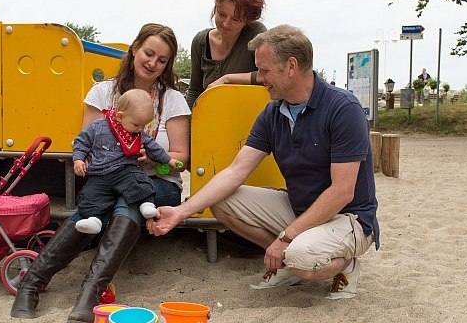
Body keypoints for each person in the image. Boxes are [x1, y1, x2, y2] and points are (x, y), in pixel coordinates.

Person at [149, 25, 380, 300]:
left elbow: (343, 191)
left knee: (301, 257)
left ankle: (346, 262)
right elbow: (236, 171)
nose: (259, 78)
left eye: (265, 70)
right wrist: (181, 212)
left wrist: (285, 239)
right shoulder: (273, 112)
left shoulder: (343, 108)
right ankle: (290, 261)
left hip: (349, 216)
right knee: (220, 201)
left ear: (291, 66)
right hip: (301, 208)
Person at [11, 23, 190, 323]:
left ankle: (88, 292)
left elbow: (181, 159)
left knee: (129, 199)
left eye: (162, 60)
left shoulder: (171, 99)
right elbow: (86, 146)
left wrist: (155, 160)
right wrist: (116, 158)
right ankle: (32, 285)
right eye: (149, 53)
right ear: (134, 49)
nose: (153, 63)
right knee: (96, 205)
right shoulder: (103, 92)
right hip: (107, 179)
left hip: (156, 184)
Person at [73, 89, 184, 235]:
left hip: (125, 171)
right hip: (99, 174)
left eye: (143, 126)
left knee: (140, 182)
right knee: (91, 195)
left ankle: (146, 204)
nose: (141, 129)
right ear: (120, 116)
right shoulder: (97, 127)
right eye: (137, 125)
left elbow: (154, 148)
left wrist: (169, 160)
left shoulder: (137, 133)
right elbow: (81, 142)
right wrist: (78, 159)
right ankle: (94, 220)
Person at [185, 0, 267, 109]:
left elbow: (270, 74)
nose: (226, 23)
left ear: (248, 20)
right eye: (222, 14)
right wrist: (189, 126)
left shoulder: (256, 33)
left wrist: (228, 79)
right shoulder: (200, 41)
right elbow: (194, 91)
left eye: (236, 19)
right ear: (215, 7)